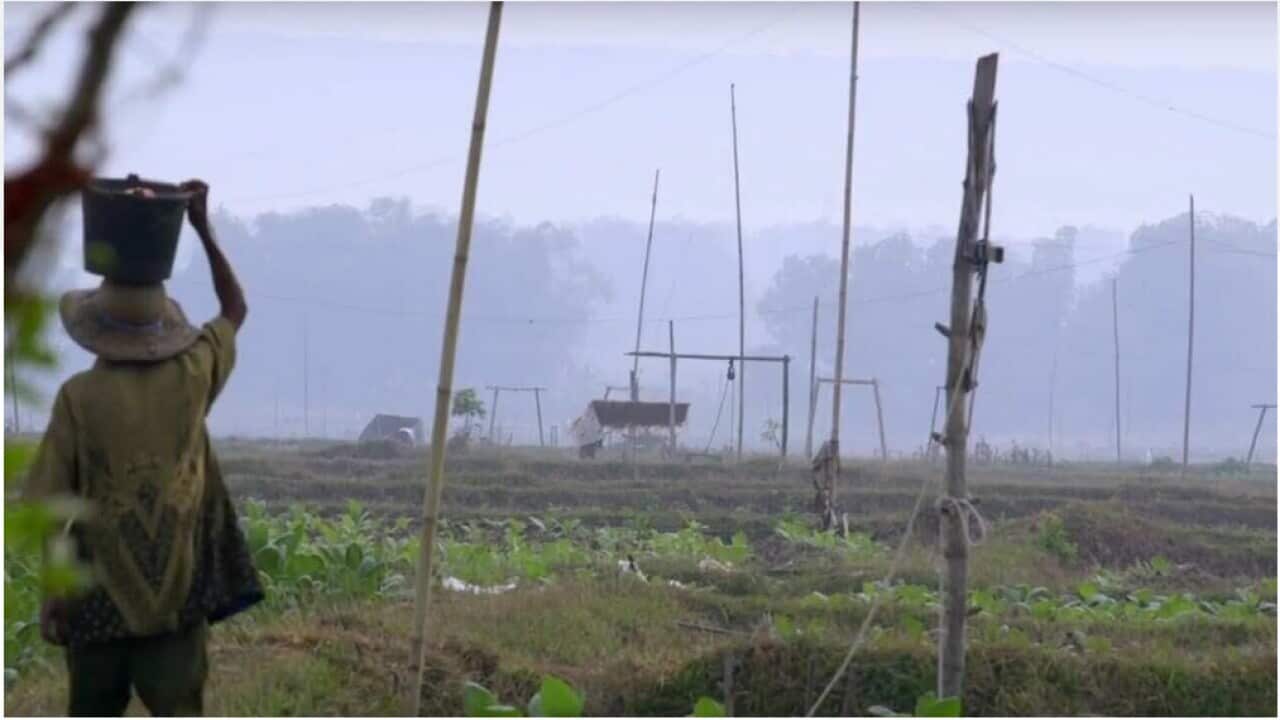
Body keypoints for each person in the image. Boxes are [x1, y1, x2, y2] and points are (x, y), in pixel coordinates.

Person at [24, 179, 263, 716]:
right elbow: (235, 308)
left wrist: (53, 594)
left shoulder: (79, 397)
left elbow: (50, 508)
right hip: (176, 604)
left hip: (95, 603)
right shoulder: (193, 374)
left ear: (95, 326)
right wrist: (202, 225)